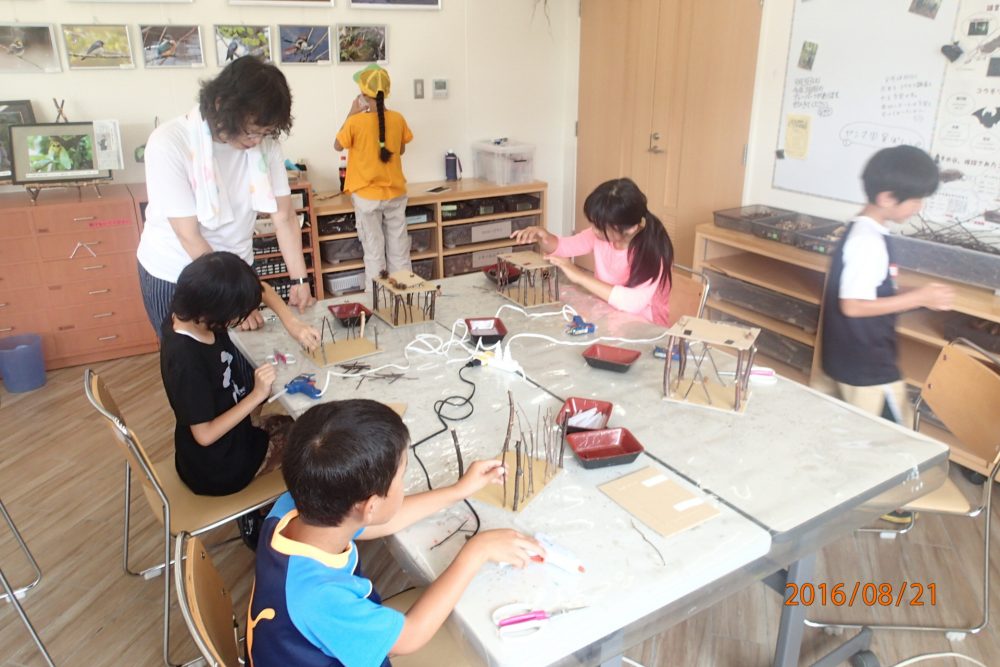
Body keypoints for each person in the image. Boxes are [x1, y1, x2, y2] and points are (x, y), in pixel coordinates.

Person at [248, 399, 542, 666]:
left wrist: (457, 491)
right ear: (370, 505)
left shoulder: (295, 506)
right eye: (401, 476)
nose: (403, 484)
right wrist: (476, 551)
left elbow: (373, 521)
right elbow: (409, 637)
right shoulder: (321, 599)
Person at [820, 145, 954, 523]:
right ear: (887, 198)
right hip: (868, 362)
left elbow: (867, 289)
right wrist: (920, 298)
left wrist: (908, 292)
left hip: (849, 354)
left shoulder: (863, 229)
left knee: (862, 429)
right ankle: (884, 506)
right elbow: (853, 305)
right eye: (916, 200)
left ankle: (857, 493)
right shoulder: (868, 242)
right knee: (890, 437)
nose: (919, 208)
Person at [137, 56, 315, 339]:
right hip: (179, 273)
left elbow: (283, 216)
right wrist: (235, 298)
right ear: (221, 104)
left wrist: (300, 279)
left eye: (266, 132)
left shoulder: (265, 145)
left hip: (237, 269)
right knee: (190, 358)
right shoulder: (169, 143)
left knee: (239, 356)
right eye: (252, 131)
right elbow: (188, 235)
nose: (257, 141)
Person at [160, 252, 319, 505]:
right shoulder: (185, 360)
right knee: (315, 442)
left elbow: (261, 289)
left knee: (302, 424)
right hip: (221, 468)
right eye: (237, 314)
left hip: (228, 441)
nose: (240, 318)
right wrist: (257, 395)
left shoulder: (188, 311)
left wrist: (293, 324)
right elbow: (205, 435)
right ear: (215, 311)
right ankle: (270, 514)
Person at [511, 178, 675, 326]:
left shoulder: (652, 253)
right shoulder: (601, 235)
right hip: (608, 313)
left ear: (630, 228)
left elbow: (632, 303)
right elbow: (564, 246)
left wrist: (580, 276)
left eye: (600, 227)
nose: (594, 230)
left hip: (643, 327)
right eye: (594, 224)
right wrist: (544, 237)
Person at [334, 64, 414, 290]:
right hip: (395, 194)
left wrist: (351, 112)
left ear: (362, 94)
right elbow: (400, 150)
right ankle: (405, 298)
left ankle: (378, 301)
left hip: (367, 197)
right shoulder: (398, 119)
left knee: (374, 252)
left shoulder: (354, 122)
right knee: (399, 251)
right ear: (386, 92)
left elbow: (337, 145)